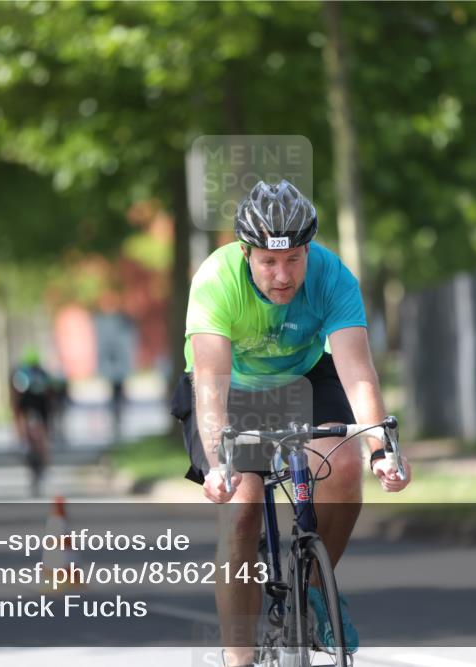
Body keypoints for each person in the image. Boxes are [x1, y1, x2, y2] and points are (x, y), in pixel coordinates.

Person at [171, 180, 412, 667]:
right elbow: (211, 383)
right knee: (242, 507)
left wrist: (380, 450)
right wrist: (218, 463)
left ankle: (317, 595)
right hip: (230, 391)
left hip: (305, 377)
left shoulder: (332, 275)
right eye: (268, 262)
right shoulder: (216, 280)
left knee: (343, 465)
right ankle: (238, 657)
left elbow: (356, 372)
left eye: (294, 259)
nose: (283, 276)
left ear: (309, 250)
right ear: (246, 253)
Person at [10, 347, 59, 495]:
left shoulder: (25, 374)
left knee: (36, 433)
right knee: (39, 434)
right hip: (35, 409)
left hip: (34, 409)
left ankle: (33, 451)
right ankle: (42, 458)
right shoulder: (38, 374)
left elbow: (17, 397)